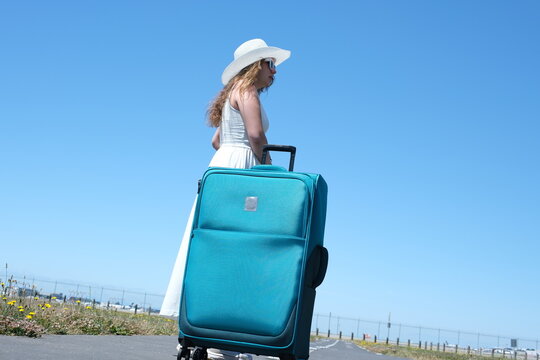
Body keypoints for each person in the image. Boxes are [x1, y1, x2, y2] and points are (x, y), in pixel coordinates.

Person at [160, 38, 291, 360]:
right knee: (240, 247)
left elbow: (217, 140)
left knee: (213, 245)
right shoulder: (247, 93)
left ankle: (202, 329)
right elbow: (257, 136)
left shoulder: (232, 94)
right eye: (270, 64)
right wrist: (266, 169)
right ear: (256, 65)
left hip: (222, 168)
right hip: (242, 167)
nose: (275, 72)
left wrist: (233, 155)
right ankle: (224, 342)